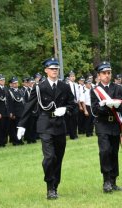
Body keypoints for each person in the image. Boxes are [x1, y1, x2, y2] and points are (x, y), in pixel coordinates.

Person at [17, 58, 76, 200]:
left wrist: (65, 109)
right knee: (49, 157)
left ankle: (55, 186)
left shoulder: (64, 86)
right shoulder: (39, 87)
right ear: (46, 70)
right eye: (52, 68)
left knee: (58, 158)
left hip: (60, 125)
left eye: (56, 68)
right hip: (45, 124)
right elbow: (29, 106)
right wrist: (21, 125)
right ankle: (50, 186)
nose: (55, 70)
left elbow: (73, 105)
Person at [91, 61, 122, 193]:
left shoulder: (117, 88)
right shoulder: (95, 90)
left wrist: (117, 105)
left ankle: (114, 181)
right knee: (104, 151)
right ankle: (106, 180)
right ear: (99, 75)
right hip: (102, 124)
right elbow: (94, 109)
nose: (107, 75)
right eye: (104, 73)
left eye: (109, 73)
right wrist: (105, 106)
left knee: (114, 152)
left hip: (115, 125)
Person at [7, 77, 25, 146]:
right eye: (14, 83)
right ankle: (16, 141)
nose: (16, 84)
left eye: (16, 83)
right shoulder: (10, 92)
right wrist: (12, 113)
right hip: (15, 113)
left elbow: (23, 102)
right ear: (11, 84)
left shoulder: (20, 91)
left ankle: (20, 140)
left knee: (20, 127)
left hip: (21, 112)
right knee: (15, 128)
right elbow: (10, 103)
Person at [65, 70, 80, 140]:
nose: (73, 77)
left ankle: (75, 134)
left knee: (76, 120)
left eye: (74, 76)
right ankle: (72, 135)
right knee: (71, 120)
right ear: (69, 77)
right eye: (71, 76)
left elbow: (78, 95)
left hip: (76, 103)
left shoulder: (76, 85)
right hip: (71, 104)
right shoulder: (67, 85)